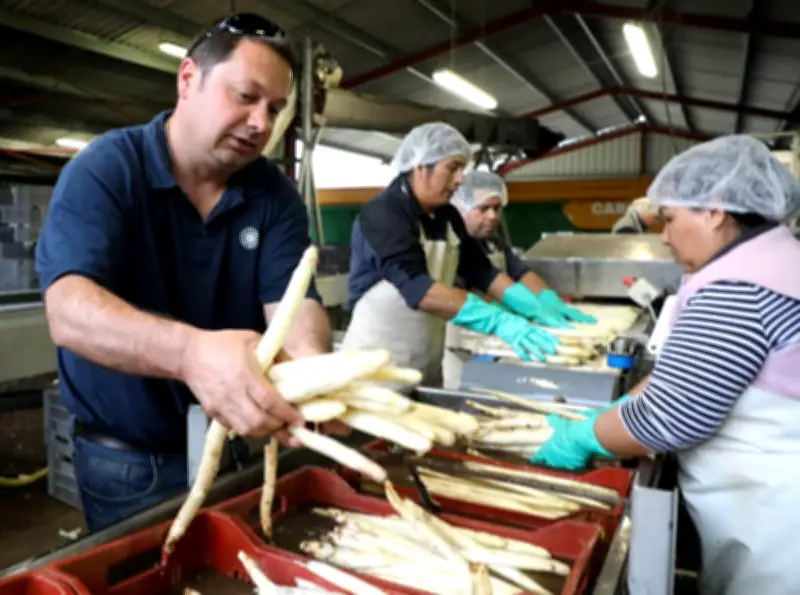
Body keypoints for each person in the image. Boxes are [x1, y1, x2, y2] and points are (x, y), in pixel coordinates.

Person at [34, 13, 337, 532]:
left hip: (240, 445)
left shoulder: (274, 196)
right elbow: (69, 311)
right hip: (129, 463)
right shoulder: (107, 169)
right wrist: (192, 353)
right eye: (245, 96)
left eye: (274, 108)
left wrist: (312, 369)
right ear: (188, 79)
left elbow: (295, 302)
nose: (262, 123)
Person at [528, 135, 800, 594]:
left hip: (778, 524)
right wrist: (608, 416)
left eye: (670, 219)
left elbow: (670, 417)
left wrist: (584, 435)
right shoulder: (775, 259)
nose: (665, 236)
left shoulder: (738, 288)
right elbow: (683, 380)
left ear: (715, 210)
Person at [341, 123, 574, 386]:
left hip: (426, 366)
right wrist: (497, 320)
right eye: (453, 168)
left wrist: (533, 305)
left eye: (462, 169)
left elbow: (481, 270)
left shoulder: (447, 216)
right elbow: (419, 288)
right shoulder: (384, 215)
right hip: (375, 371)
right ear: (420, 166)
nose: (461, 179)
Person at [442, 170, 597, 388]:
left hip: (500, 342)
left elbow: (521, 273)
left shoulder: (494, 244)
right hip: (462, 344)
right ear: (461, 208)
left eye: (496, 208)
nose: (493, 216)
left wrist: (546, 300)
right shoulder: (452, 247)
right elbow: (450, 294)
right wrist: (502, 316)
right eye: (483, 208)